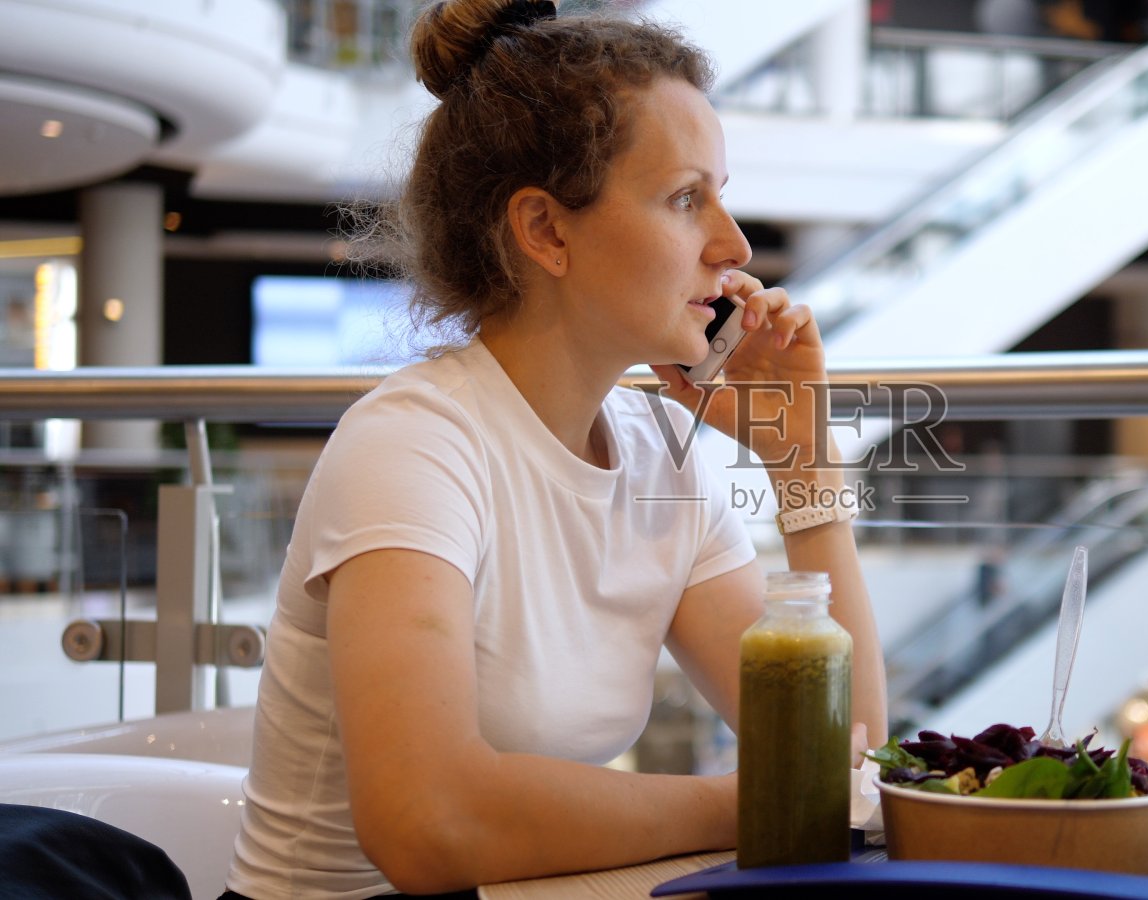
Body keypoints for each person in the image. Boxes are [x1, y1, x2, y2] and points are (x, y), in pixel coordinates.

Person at [222, 1, 887, 896]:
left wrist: (801, 463)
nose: (733, 245)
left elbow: (846, 756)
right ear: (545, 231)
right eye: (687, 198)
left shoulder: (661, 453)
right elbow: (427, 826)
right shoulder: (415, 445)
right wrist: (755, 805)